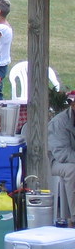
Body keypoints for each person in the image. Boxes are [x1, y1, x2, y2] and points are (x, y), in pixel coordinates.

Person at [48, 94, 75, 227]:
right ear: (73, 105)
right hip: (56, 162)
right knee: (72, 170)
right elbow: (61, 153)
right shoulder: (59, 122)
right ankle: (74, 218)